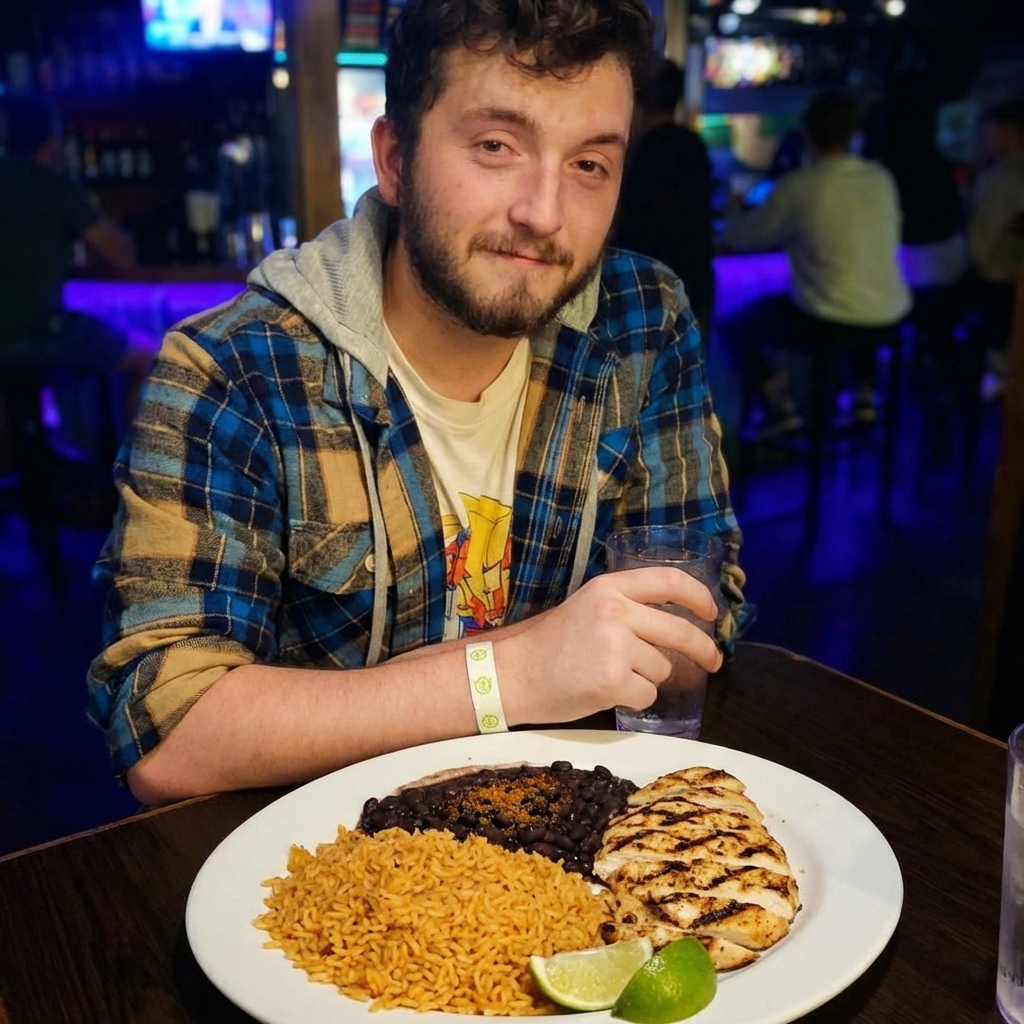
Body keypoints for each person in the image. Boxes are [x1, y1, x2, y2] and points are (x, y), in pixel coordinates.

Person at [88, 0, 748, 805]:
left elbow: (699, 607)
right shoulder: (236, 369)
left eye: (589, 165)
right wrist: (515, 673)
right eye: (497, 146)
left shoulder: (643, 319)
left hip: (578, 843)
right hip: (336, 873)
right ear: (395, 160)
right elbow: (169, 729)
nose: (543, 213)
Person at [724, 90, 911, 430]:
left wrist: (734, 206)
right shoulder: (881, 179)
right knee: (858, 294)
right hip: (889, 313)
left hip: (826, 318)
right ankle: (863, 398)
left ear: (807, 135)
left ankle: (781, 408)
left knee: (735, 325)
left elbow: (744, 238)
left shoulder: (801, 186)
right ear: (855, 134)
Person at [0, 95, 156, 405]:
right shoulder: (52, 185)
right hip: (38, 332)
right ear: (52, 140)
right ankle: (138, 455)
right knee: (150, 358)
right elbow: (122, 256)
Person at [613, 58, 714, 349]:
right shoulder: (693, 145)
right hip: (695, 280)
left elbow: (629, 223)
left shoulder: (638, 154)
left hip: (647, 286)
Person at [967, 98, 1024, 397]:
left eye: (987, 134)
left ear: (1009, 133)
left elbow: (980, 243)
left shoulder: (1001, 177)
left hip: (996, 282)